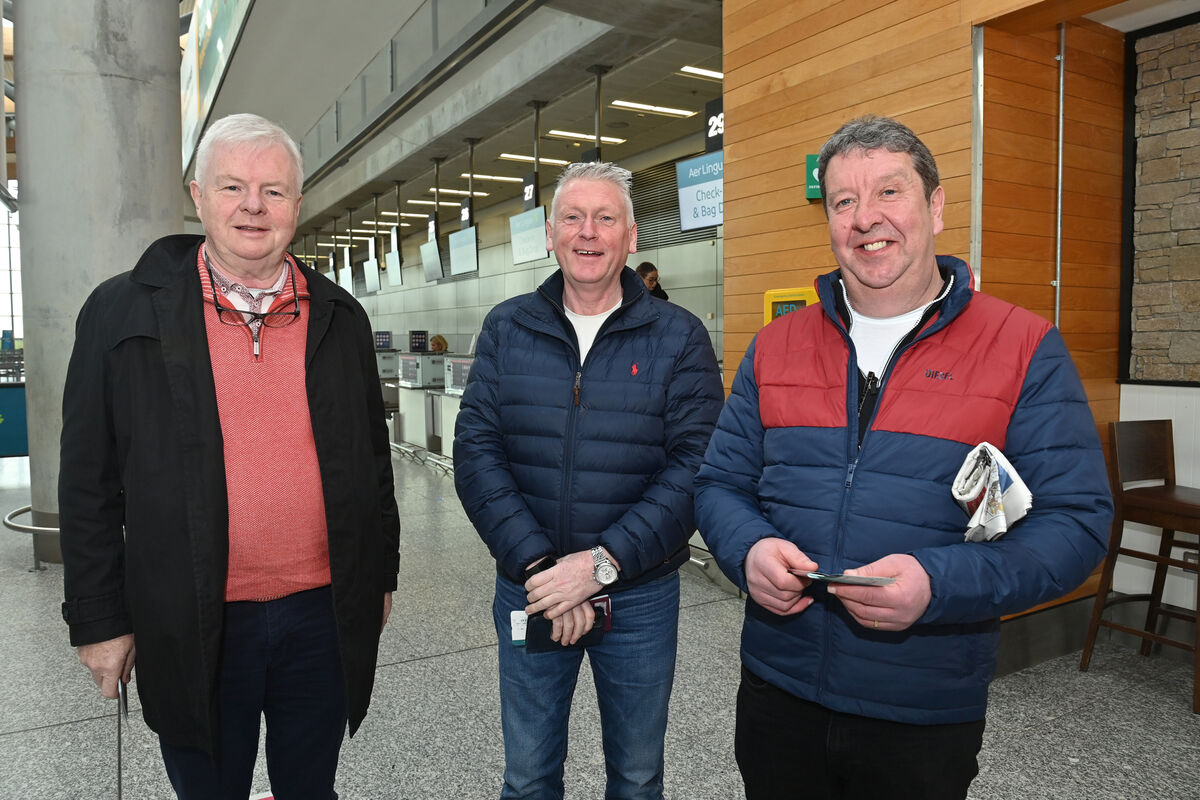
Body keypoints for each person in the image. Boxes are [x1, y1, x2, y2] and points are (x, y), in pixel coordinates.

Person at [693, 115, 1112, 800]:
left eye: (889, 192)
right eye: (844, 201)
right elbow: (718, 485)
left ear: (936, 206)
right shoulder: (777, 346)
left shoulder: (1023, 346)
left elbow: (1077, 524)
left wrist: (937, 583)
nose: (866, 219)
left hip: (922, 709)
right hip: (779, 690)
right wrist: (749, 549)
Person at [59, 113, 401, 800]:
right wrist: (99, 620)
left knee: (311, 787)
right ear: (197, 195)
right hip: (191, 617)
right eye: (233, 186)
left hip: (320, 613)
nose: (254, 206)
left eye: (274, 191)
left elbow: (371, 456)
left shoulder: (340, 316)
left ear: (298, 207)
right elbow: (87, 481)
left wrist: (380, 573)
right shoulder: (124, 313)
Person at [453, 161, 723, 799]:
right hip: (531, 585)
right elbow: (477, 453)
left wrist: (598, 567)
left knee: (635, 776)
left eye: (606, 218)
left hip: (639, 595)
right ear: (550, 233)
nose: (588, 232)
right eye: (572, 217)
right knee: (527, 776)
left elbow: (695, 465)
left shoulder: (677, 336)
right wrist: (546, 571)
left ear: (632, 237)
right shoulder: (508, 327)